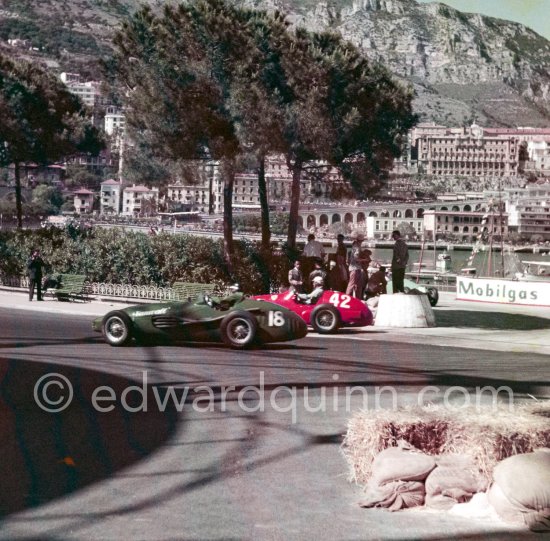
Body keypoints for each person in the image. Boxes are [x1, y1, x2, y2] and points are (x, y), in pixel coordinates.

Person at [346, 232, 370, 299]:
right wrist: (365, 260)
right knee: (352, 285)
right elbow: (356, 259)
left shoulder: (356, 246)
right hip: (355, 268)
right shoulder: (356, 247)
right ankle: (347, 298)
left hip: (356, 268)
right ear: (361, 240)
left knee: (357, 286)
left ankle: (357, 299)